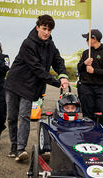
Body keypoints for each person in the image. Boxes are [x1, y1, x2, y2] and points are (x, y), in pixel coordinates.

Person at [4, 14, 69, 162]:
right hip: (14, 84)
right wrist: (55, 82)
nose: (46, 32)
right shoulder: (28, 43)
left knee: (25, 116)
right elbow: (37, 68)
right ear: (37, 27)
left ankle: (21, 150)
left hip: (30, 87)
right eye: (44, 28)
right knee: (12, 117)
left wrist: (63, 75)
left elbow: (58, 61)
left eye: (49, 30)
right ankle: (14, 147)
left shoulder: (50, 45)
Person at [76, 29, 103, 127]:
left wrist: (94, 71)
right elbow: (79, 68)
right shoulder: (86, 53)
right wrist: (84, 63)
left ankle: (100, 128)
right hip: (86, 86)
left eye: (87, 38)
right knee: (88, 113)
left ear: (94, 39)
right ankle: (87, 134)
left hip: (101, 87)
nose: (86, 41)